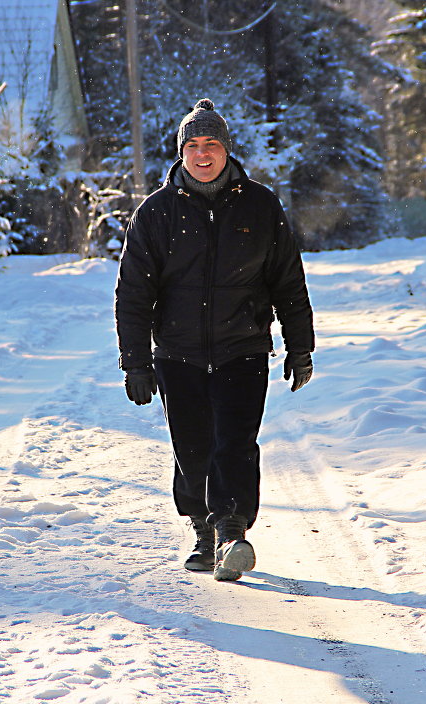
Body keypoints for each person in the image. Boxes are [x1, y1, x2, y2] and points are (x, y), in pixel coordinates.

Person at [114, 98, 315, 582]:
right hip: (178, 354)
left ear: (227, 149)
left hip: (242, 347)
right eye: (193, 146)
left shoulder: (260, 205)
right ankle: (202, 528)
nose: (203, 154)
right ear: (181, 152)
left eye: (212, 145)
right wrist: (135, 362)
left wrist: (300, 345)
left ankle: (231, 531)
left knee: (236, 444)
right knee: (193, 447)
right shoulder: (156, 213)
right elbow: (134, 292)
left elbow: (288, 280)